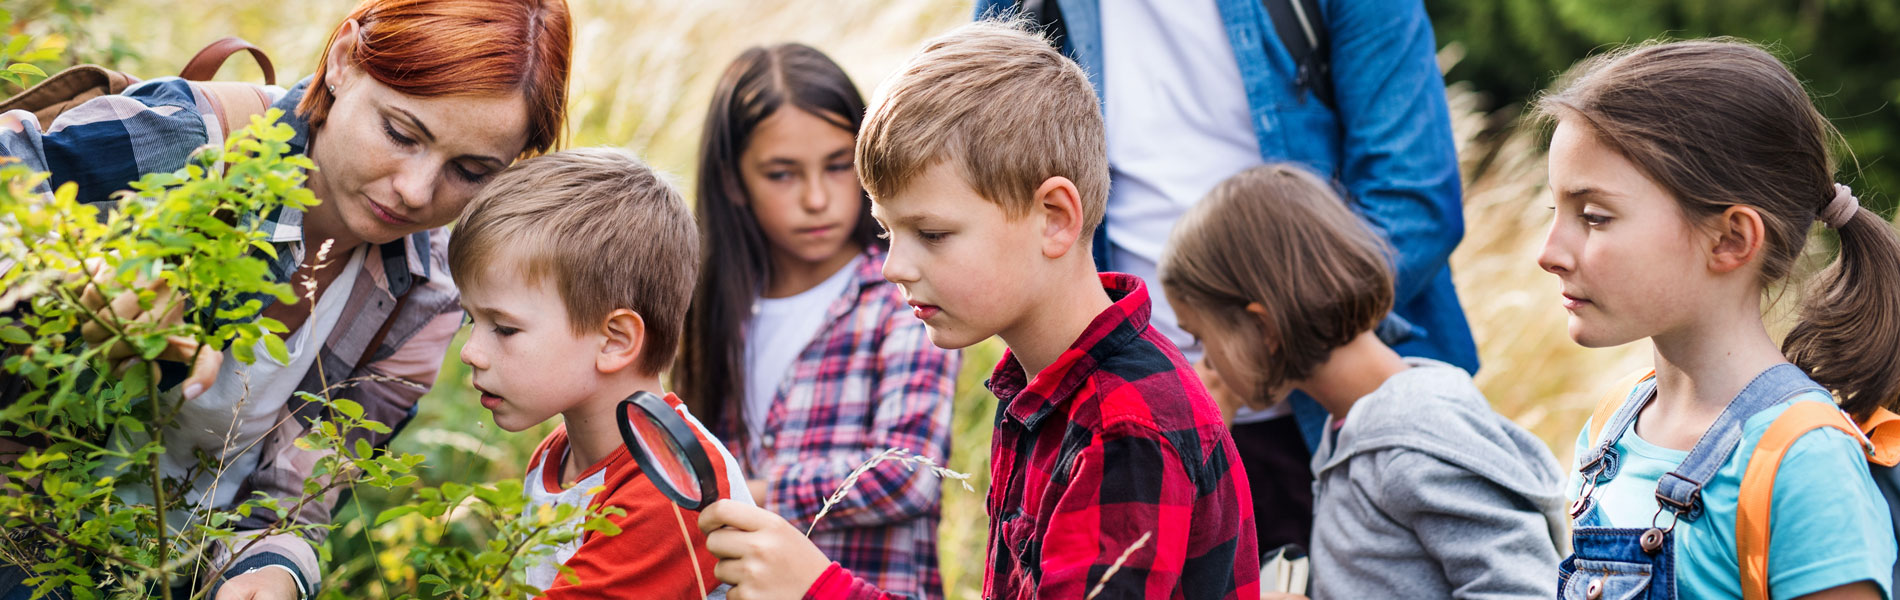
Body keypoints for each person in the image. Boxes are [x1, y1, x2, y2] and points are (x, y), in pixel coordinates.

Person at [0, 0, 572, 597]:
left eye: (472, 171)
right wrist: (80, 276)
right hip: (29, 529)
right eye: (401, 133)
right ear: (345, 60)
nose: (414, 191)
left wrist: (275, 564)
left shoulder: (425, 292)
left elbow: (297, 493)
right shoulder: (192, 143)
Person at [694, 20, 1259, 600]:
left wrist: (817, 589)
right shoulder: (1041, 387)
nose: (894, 267)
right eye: (888, 232)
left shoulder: (1124, 430)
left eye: (932, 233)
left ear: (1055, 218)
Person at [970, 0, 1478, 552]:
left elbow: (1415, 198)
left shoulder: (1426, 445)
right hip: (1122, 422)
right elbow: (988, 175)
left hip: (1334, 412)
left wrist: (1249, 353)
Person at [1540, 40, 1900, 599]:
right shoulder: (1612, 426)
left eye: (1594, 217)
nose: (1549, 251)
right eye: (1553, 211)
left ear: (1731, 239)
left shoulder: (1803, 463)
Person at [1161, 164, 1565, 599]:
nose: (1202, 361)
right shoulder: (1352, 431)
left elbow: (1528, 589)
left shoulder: (1412, 442)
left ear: (1264, 328)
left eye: (1202, 338)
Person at [674, 43, 957, 600]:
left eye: (837, 166)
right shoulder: (710, 311)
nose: (817, 199)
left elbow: (910, 474)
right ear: (733, 182)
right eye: (782, 174)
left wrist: (750, 493)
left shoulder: (902, 294)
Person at [449, 147, 752, 599]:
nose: (471, 352)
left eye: (505, 328)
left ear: (614, 340)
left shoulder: (670, 491)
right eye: (473, 321)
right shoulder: (557, 456)